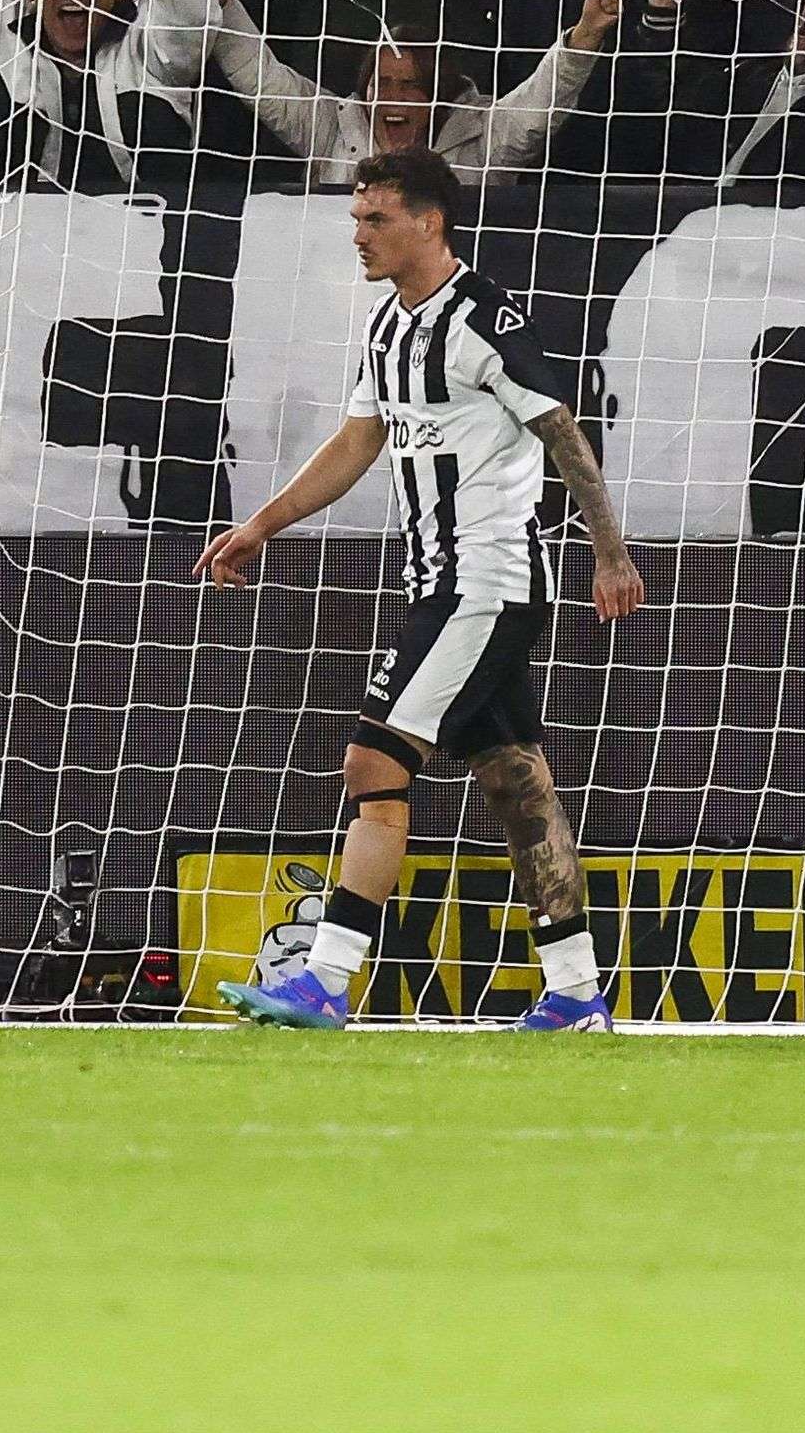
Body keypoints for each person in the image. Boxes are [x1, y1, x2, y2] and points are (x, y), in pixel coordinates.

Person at [202, 141, 646, 1031]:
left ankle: (325, 980)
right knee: (518, 781)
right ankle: (575, 995)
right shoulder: (386, 327)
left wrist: (610, 553)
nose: (359, 235)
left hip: (487, 581)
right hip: (440, 583)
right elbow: (358, 442)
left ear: (429, 221)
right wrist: (262, 524)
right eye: (355, 219)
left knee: (373, 761)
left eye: (377, 218)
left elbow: (562, 431)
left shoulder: (483, 318)